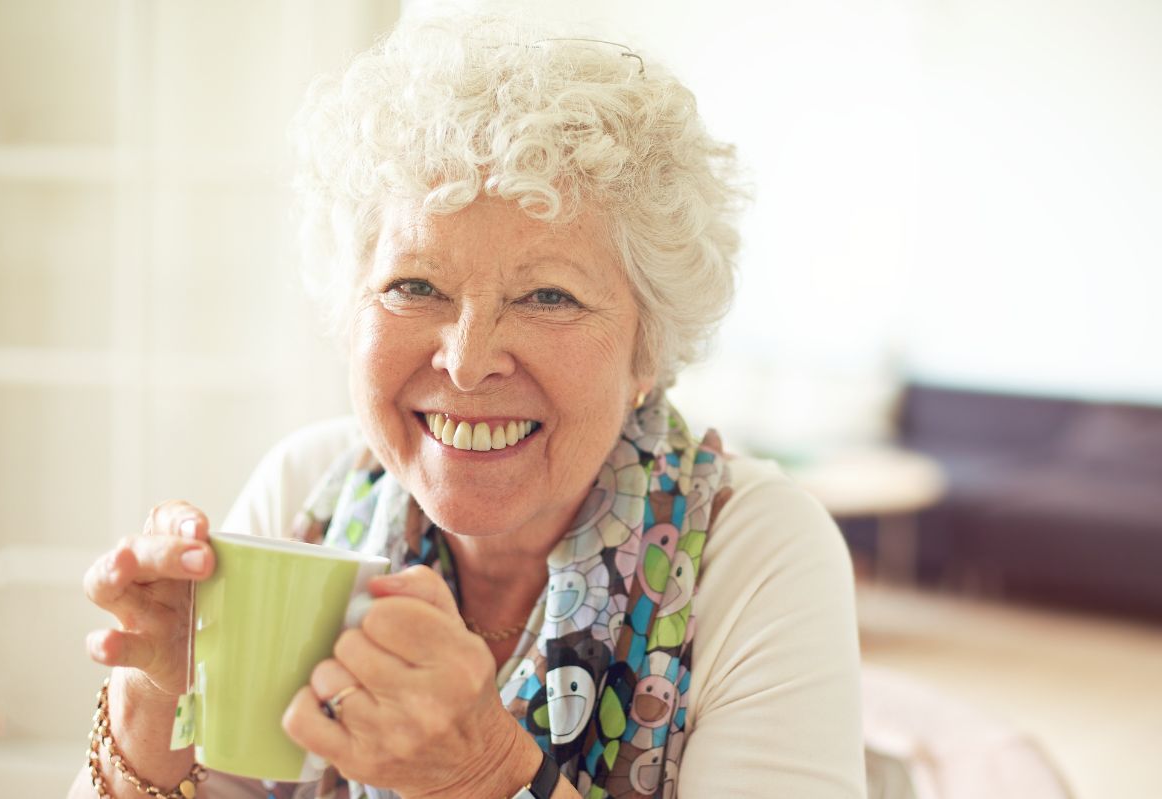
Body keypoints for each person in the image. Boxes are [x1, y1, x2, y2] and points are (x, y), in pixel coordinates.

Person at [71, 13, 864, 799]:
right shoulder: (307, 490)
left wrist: (482, 774)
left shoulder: (756, 551)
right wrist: (154, 700)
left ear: (646, 349)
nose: (467, 357)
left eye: (549, 294)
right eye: (415, 286)